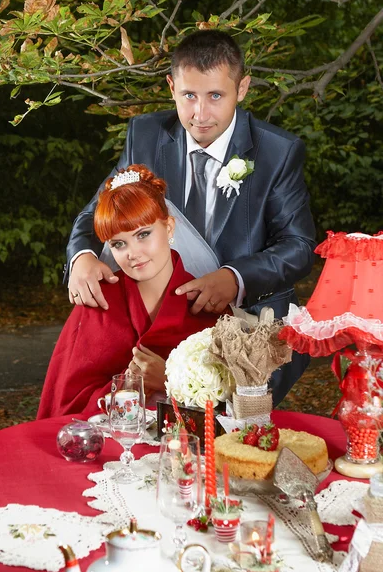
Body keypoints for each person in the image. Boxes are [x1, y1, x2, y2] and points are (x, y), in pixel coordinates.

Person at [65, 29, 316, 406]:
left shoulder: (277, 152)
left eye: (216, 95)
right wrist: (81, 257)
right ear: (171, 86)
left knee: (229, 444)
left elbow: (299, 246)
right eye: (189, 96)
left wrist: (235, 278)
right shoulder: (147, 135)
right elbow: (99, 211)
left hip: (245, 326)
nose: (200, 114)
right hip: (161, 321)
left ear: (242, 88)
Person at [37, 165, 224, 419]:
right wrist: (130, 383)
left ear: (169, 228)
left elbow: (233, 412)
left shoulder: (208, 305)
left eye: (143, 234)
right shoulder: (98, 300)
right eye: (118, 243)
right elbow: (66, 406)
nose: (133, 254)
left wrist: (168, 379)